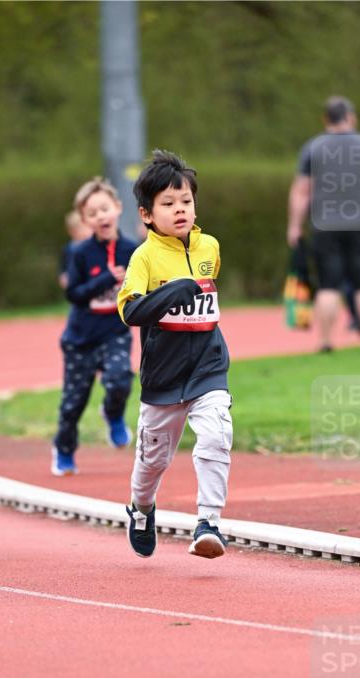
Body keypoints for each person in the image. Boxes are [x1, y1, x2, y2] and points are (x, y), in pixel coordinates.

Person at [118, 149, 232, 560]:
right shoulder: (143, 257)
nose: (180, 210)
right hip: (163, 378)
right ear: (147, 214)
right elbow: (130, 311)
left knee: (218, 434)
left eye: (186, 201)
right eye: (168, 204)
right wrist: (170, 291)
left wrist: (190, 290)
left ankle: (209, 522)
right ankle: (142, 508)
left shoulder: (210, 248)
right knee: (152, 462)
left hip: (208, 367)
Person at [287, 96, 360, 352]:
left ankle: (326, 341)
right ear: (351, 117)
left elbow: (301, 191)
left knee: (328, 285)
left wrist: (294, 226)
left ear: (326, 119)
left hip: (324, 225)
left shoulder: (313, 148)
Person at [51, 177, 138, 475]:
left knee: (120, 379)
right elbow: (73, 294)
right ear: (85, 220)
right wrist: (105, 280)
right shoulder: (79, 253)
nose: (101, 216)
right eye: (92, 213)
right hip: (81, 338)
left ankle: (113, 415)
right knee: (73, 404)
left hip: (115, 332)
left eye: (105, 209)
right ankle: (64, 450)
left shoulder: (132, 250)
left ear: (117, 207)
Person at [58, 210, 92, 290]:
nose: (86, 232)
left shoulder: (94, 245)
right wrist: (63, 276)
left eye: (87, 228)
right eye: (81, 229)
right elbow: (63, 266)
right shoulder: (69, 249)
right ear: (72, 232)